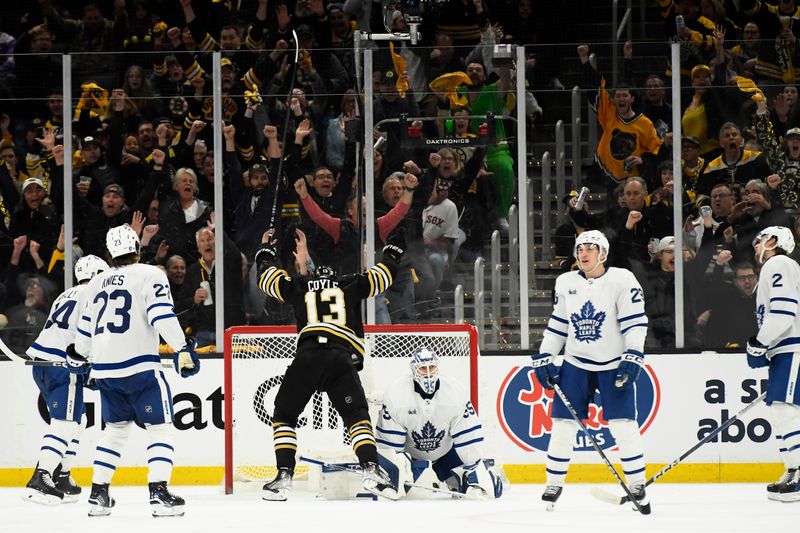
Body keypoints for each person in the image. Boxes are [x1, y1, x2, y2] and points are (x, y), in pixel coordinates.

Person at [255, 226, 407, 501]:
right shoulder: (348, 284)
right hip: (340, 358)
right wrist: (393, 249)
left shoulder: (300, 286)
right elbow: (383, 276)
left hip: (307, 358)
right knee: (357, 418)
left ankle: (284, 475)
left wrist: (265, 252)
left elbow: (267, 279)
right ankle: (370, 469)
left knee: (284, 416)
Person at [67, 225, 200, 517]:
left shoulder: (96, 282)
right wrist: (181, 348)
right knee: (160, 428)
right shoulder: (150, 274)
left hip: (105, 372)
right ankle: (158, 492)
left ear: (111, 253)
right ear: (138, 249)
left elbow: (84, 334)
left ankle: (98, 494)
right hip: (139, 368)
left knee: (115, 430)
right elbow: (161, 315)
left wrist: (78, 357)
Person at [531, 230, 650, 512]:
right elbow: (559, 325)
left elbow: (635, 323)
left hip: (613, 364)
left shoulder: (622, 279)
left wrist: (633, 356)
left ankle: (636, 483)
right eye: (580, 247)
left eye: (591, 248)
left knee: (623, 426)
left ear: (603, 253)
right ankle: (554, 482)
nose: (583, 253)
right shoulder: (565, 282)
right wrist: (545, 355)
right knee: (562, 425)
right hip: (576, 365)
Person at [22, 255, 109, 505]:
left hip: (42, 364)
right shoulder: (95, 295)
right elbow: (90, 334)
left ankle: (61, 475)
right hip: (64, 365)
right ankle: (42, 476)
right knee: (67, 422)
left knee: (77, 418)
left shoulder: (66, 294)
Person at [375, 347, 502, 500]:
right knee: (408, 494)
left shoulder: (455, 391)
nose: (428, 372)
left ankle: (476, 475)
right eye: (423, 368)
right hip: (413, 458)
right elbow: (391, 448)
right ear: (414, 370)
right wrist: (396, 472)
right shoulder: (396, 394)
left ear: (438, 367)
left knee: (483, 489)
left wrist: (474, 467)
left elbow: (468, 435)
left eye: (432, 367)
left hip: (446, 454)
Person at [746, 226, 800, 503]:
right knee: (782, 410)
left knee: (784, 409)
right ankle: (793, 469)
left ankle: (798, 471)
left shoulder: (778, 262)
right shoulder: (776, 268)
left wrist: (758, 342)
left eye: (759, 242)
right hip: (783, 349)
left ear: (773, 241)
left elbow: (783, 312)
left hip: (792, 347)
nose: (756, 247)